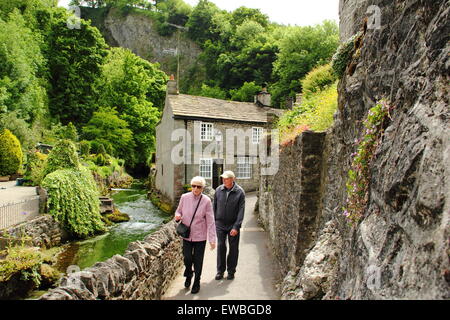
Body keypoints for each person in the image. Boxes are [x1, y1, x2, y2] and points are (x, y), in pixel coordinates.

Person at [175, 176, 216, 294]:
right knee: (187, 258)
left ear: (202, 188)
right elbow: (178, 211)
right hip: (186, 234)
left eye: (198, 187)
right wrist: (177, 215)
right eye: (193, 186)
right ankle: (189, 273)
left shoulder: (206, 201)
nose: (195, 189)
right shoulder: (184, 197)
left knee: (198, 260)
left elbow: (211, 221)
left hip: (200, 236)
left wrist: (212, 239)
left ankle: (197, 281)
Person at [213, 170, 245, 280]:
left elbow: (241, 210)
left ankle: (231, 271)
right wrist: (214, 222)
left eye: (226, 178)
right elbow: (214, 207)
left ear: (232, 179)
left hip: (233, 224)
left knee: (233, 248)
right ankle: (220, 271)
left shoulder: (240, 192)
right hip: (220, 224)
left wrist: (236, 226)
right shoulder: (218, 190)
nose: (224, 180)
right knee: (221, 246)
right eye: (223, 178)